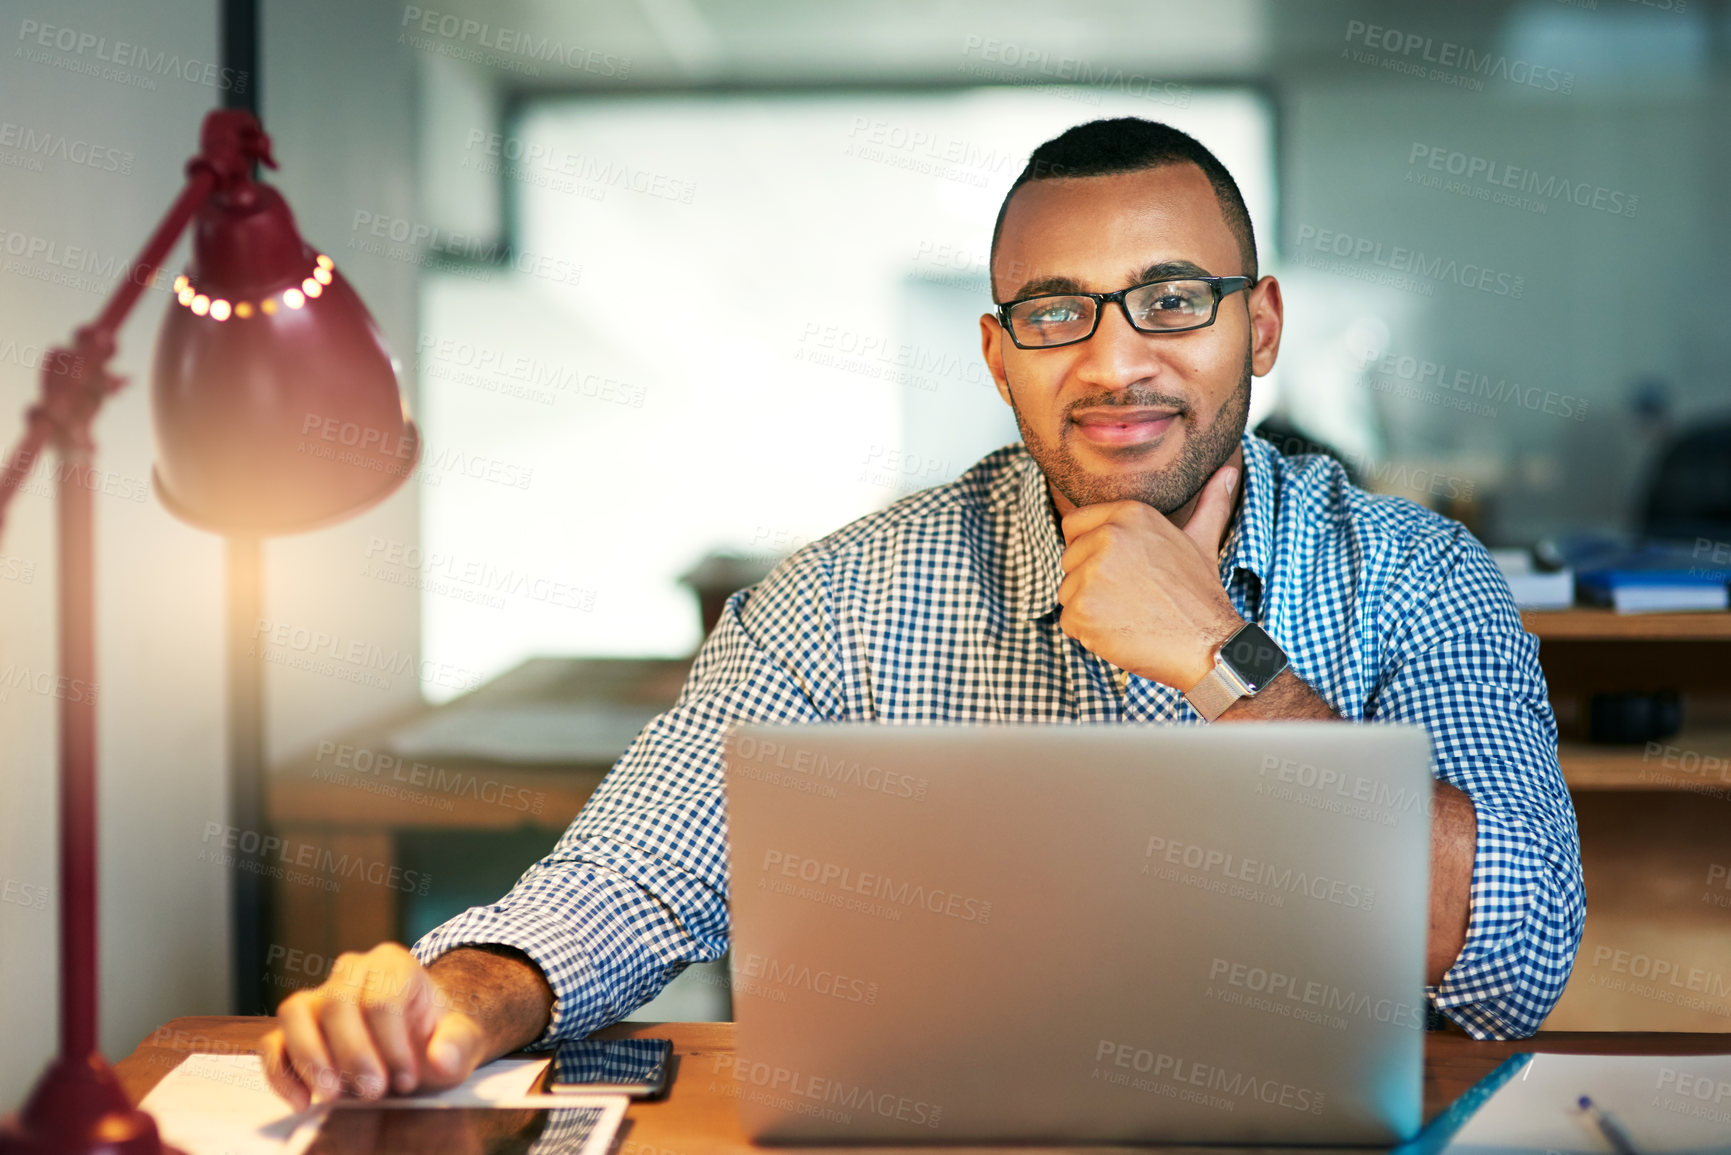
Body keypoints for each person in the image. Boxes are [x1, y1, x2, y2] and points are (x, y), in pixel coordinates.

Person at [262, 118, 1584, 1108]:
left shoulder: (1421, 575)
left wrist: (1223, 662)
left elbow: (1515, 959)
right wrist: (456, 1004)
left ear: (1264, 325)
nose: (1118, 360)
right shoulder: (841, 595)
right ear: (1000, 352)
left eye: (1175, 301)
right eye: (1060, 312)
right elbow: (633, 881)